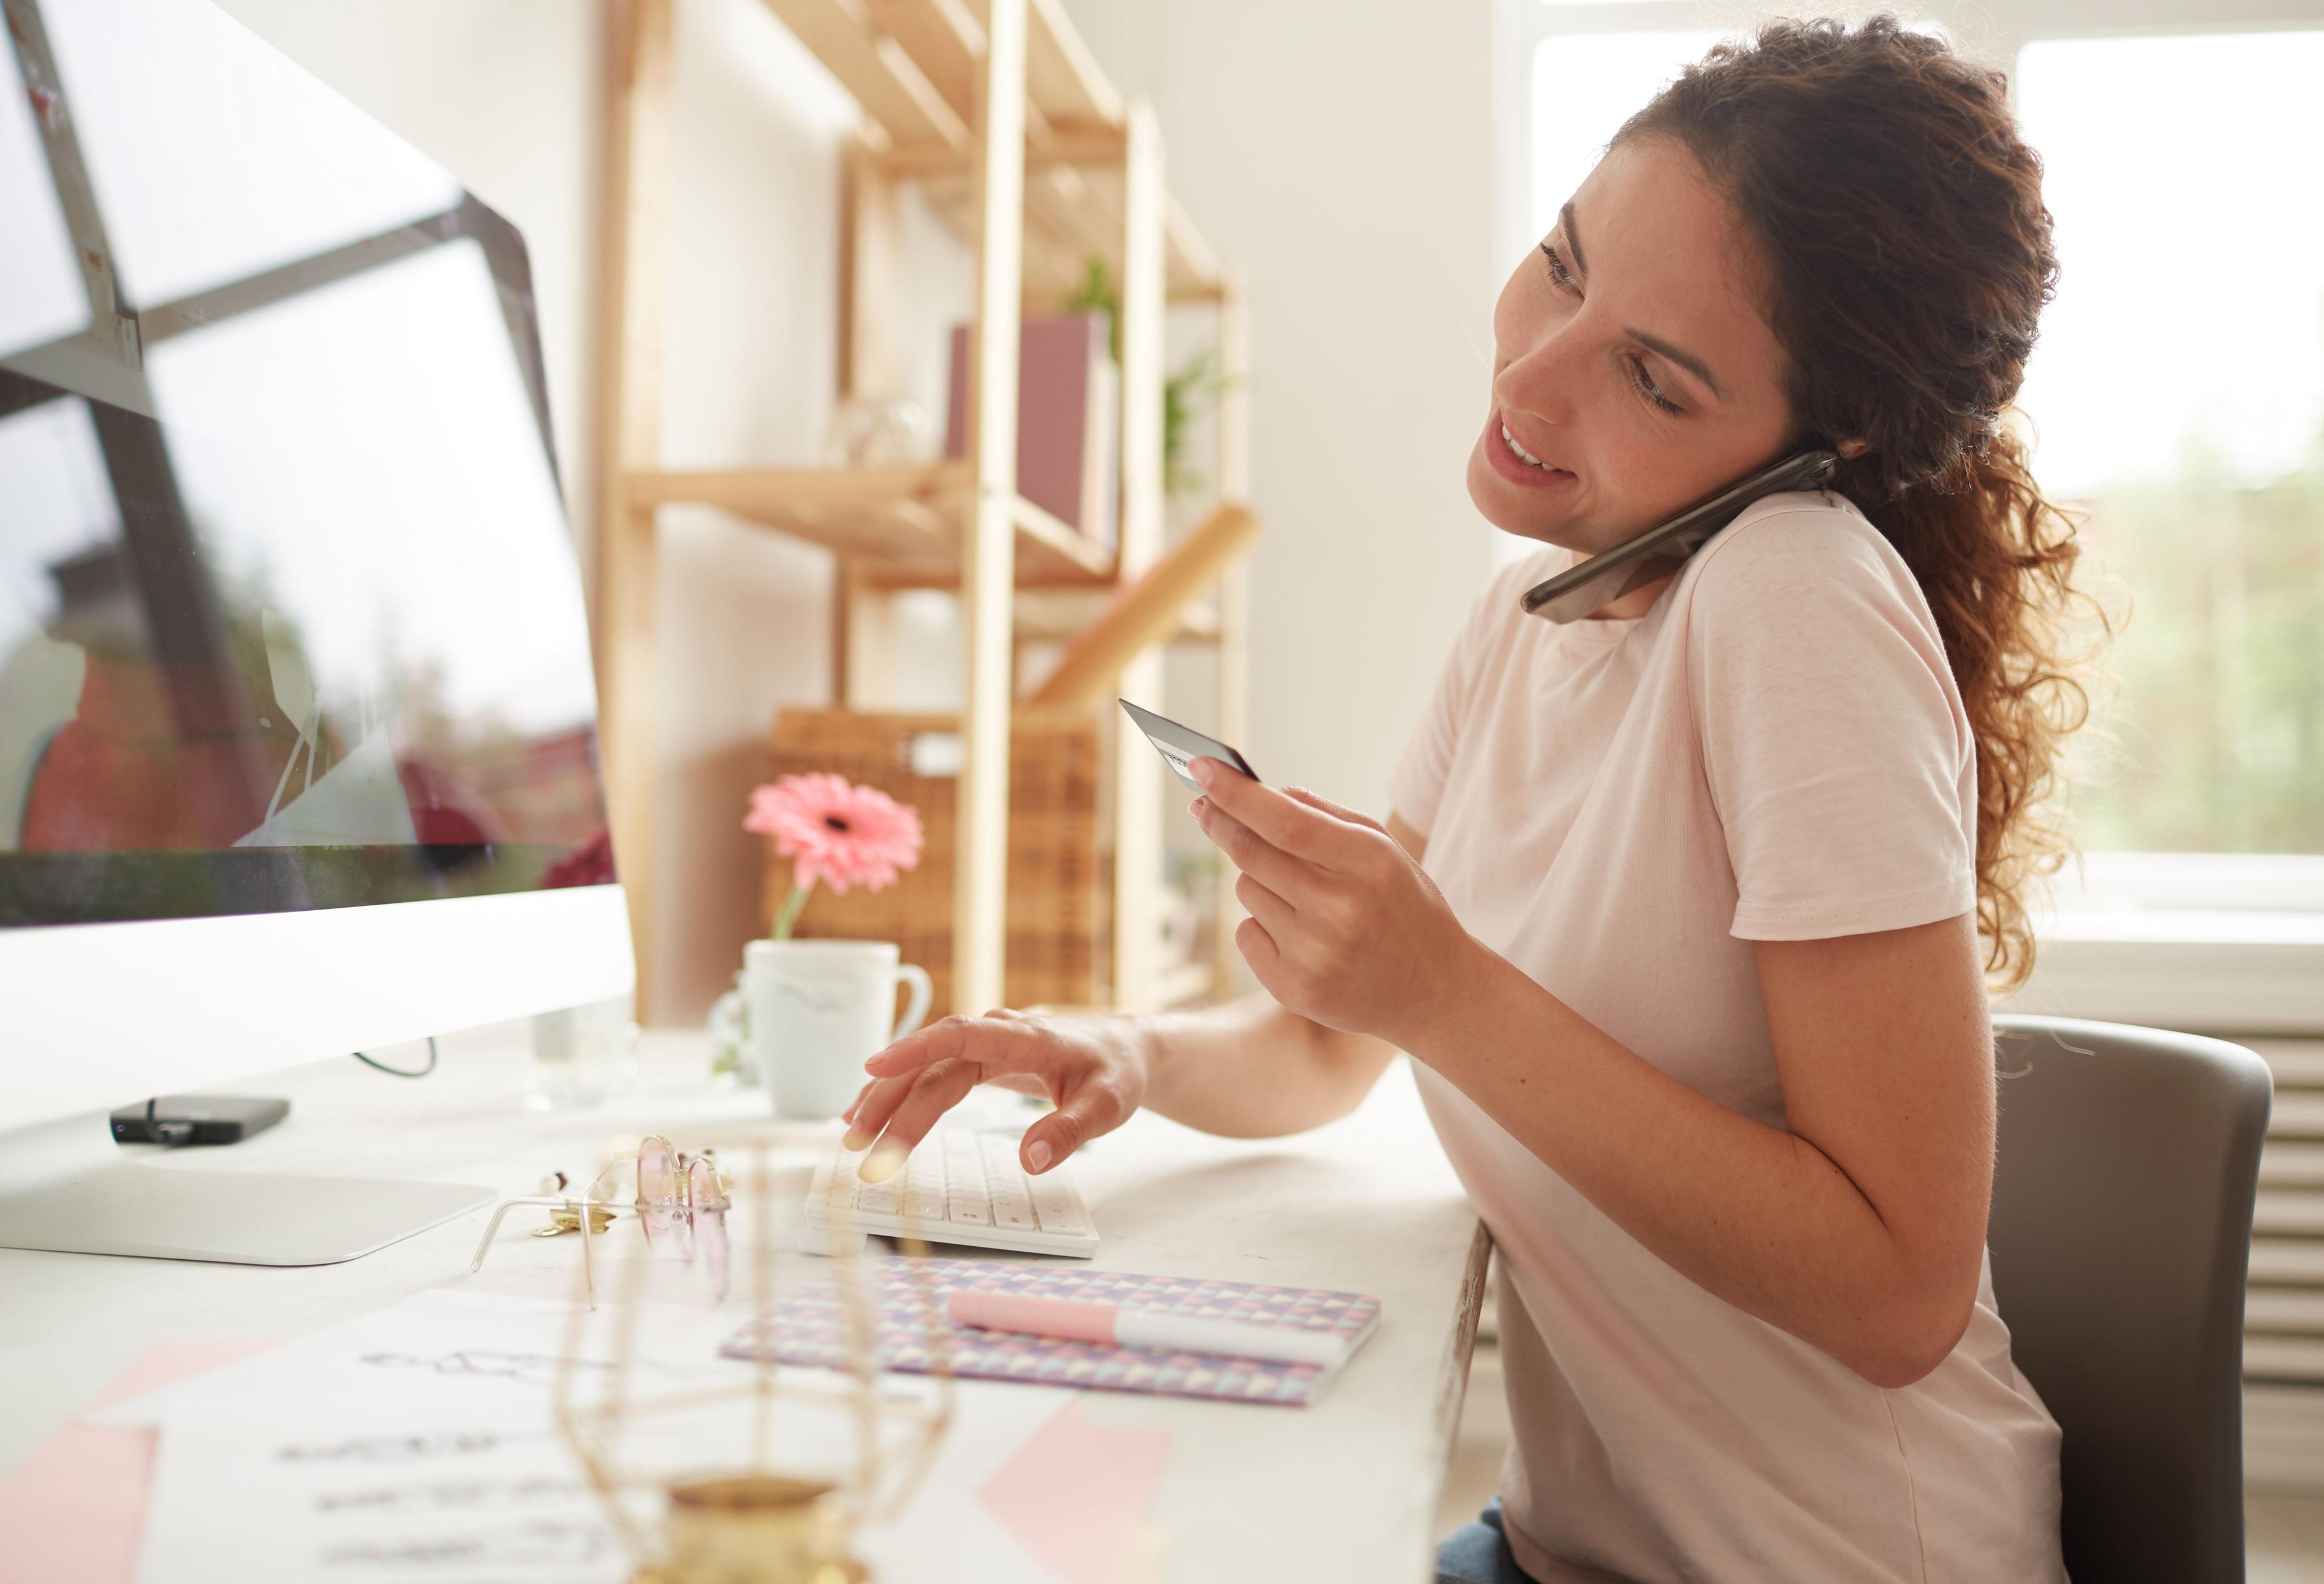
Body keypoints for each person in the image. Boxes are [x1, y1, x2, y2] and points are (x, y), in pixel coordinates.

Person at [841, 16, 2098, 1581]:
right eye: (1565, 264)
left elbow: (1900, 1293)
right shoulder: (1530, 616)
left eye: (1650, 373)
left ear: (1819, 448)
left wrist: (1446, 989)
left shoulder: (1797, 591)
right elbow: (1325, 1048)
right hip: (1573, 1546)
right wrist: (1115, 1047)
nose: (1532, 369)